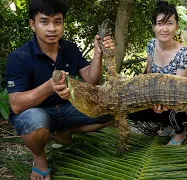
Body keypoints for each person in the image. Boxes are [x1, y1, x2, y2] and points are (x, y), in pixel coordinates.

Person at [5, 0, 115, 179]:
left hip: (68, 109)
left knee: (111, 107)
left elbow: (91, 79)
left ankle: (65, 131)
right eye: (44, 22)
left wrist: (99, 53)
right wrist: (49, 87)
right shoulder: (20, 57)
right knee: (34, 123)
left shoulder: (69, 48)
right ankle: (39, 157)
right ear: (32, 24)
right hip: (37, 112)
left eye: (57, 22)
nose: (52, 28)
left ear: (63, 23)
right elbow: (16, 105)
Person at [127, 1, 187, 146]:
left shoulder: (183, 54)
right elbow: (148, 72)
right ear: (153, 27)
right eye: (160, 23)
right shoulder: (151, 45)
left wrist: (159, 102)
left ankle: (180, 133)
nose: (164, 29)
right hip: (153, 98)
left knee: (173, 111)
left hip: (176, 100)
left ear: (176, 26)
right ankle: (167, 124)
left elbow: (179, 90)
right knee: (128, 107)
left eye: (169, 23)